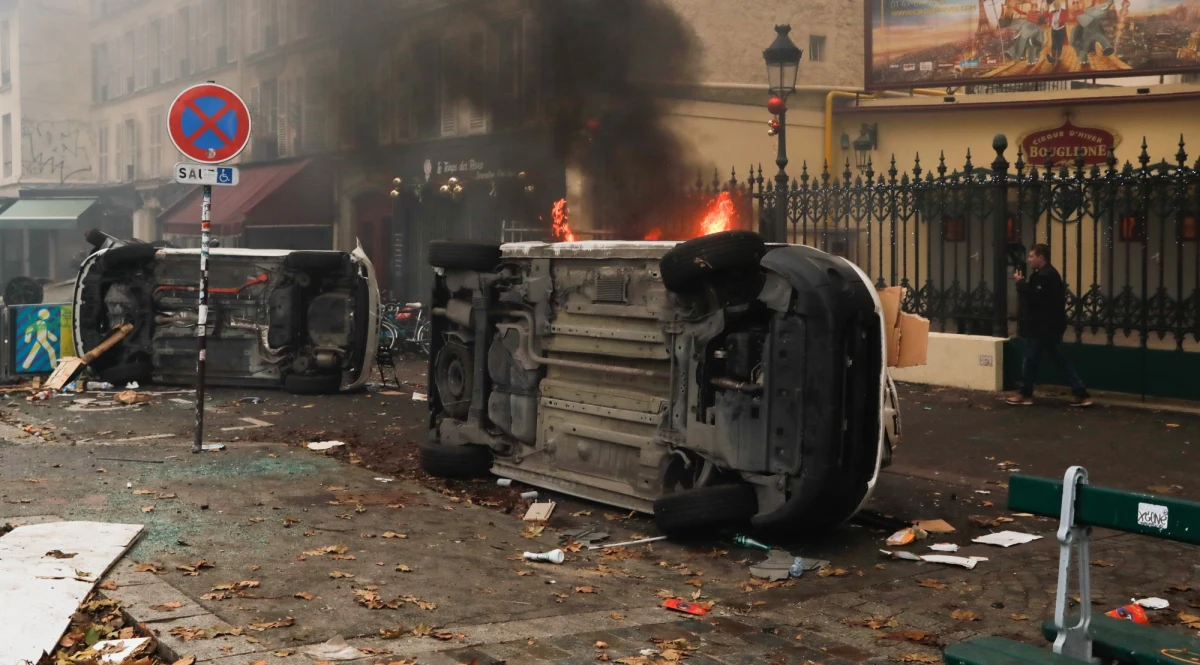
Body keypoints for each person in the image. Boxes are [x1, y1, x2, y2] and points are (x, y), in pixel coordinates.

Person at [1007, 244, 1092, 407]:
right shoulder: (1044, 274)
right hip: (1048, 325)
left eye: (1032, 256)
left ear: (1041, 257)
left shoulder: (1046, 276)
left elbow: (1035, 299)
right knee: (1059, 360)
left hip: (1042, 326)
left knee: (1031, 359)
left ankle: (1026, 394)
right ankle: (1080, 393)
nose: (1029, 259)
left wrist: (1021, 284)